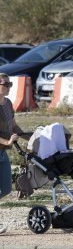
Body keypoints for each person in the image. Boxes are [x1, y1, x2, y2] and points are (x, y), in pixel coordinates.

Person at [0, 73, 27, 234]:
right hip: (3, 147)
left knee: (6, 189)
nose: (9, 87)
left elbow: (14, 125)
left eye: (10, 84)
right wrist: (7, 142)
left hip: (3, 154)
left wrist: (29, 137)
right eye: (6, 84)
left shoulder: (8, 103)